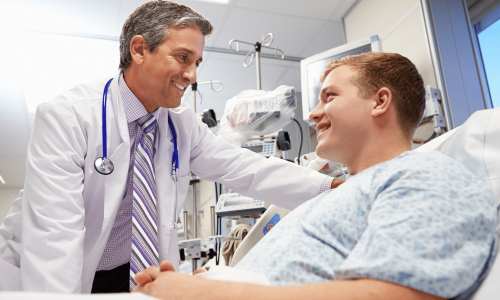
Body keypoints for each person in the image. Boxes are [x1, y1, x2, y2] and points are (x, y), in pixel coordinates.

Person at [0, 0, 339, 294]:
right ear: (138, 50)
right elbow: (54, 238)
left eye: (197, 63)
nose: (192, 74)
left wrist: (330, 188)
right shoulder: (67, 116)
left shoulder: (181, 124)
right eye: (182, 57)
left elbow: (246, 168)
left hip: (128, 272)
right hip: (54, 272)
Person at [131, 52, 497, 300]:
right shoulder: (332, 200)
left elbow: (392, 294)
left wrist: (205, 293)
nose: (313, 113)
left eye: (329, 96)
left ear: (380, 101)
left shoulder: (426, 173)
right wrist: (209, 281)